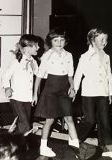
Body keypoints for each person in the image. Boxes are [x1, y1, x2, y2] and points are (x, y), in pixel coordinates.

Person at [73, 28, 112, 158]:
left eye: (106, 39)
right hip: (89, 92)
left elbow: (108, 74)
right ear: (92, 40)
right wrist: (74, 89)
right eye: (101, 39)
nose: (104, 42)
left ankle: (108, 147)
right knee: (89, 120)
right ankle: (74, 140)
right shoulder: (85, 56)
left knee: (105, 120)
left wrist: (110, 92)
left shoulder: (106, 56)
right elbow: (78, 74)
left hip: (103, 92)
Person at [33, 28, 79, 157]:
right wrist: (35, 93)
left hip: (64, 90)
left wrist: (72, 87)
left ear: (65, 41)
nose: (59, 43)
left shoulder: (68, 55)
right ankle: (43, 147)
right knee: (50, 120)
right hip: (51, 89)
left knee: (69, 118)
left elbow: (70, 74)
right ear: (50, 42)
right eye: (55, 40)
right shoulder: (47, 55)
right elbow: (39, 76)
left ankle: (75, 147)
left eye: (62, 40)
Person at [2, 34, 39, 134]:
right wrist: (7, 87)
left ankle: (15, 142)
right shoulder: (16, 62)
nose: (38, 48)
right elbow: (5, 76)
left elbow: (39, 75)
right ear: (27, 48)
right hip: (17, 97)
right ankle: (25, 146)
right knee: (25, 123)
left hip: (27, 97)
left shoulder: (34, 62)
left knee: (23, 122)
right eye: (36, 45)